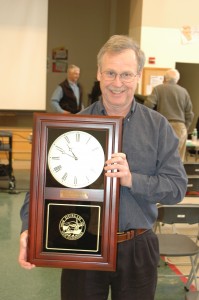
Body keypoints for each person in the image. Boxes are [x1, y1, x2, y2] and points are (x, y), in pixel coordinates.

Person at [18, 35, 188, 300]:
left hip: (137, 248)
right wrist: (29, 228)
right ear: (98, 73)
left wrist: (133, 179)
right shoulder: (71, 127)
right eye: (110, 73)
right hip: (82, 244)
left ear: (138, 76)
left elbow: (177, 188)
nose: (117, 83)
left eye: (126, 74)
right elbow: (39, 188)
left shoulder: (158, 127)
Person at [144, 68, 194, 162]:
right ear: (177, 80)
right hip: (180, 127)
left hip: (163, 125)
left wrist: (151, 122)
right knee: (178, 160)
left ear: (164, 78)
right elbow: (190, 114)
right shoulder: (184, 91)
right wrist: (184, 127)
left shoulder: (158, 89)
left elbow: (148, 105)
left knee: (162, 157)